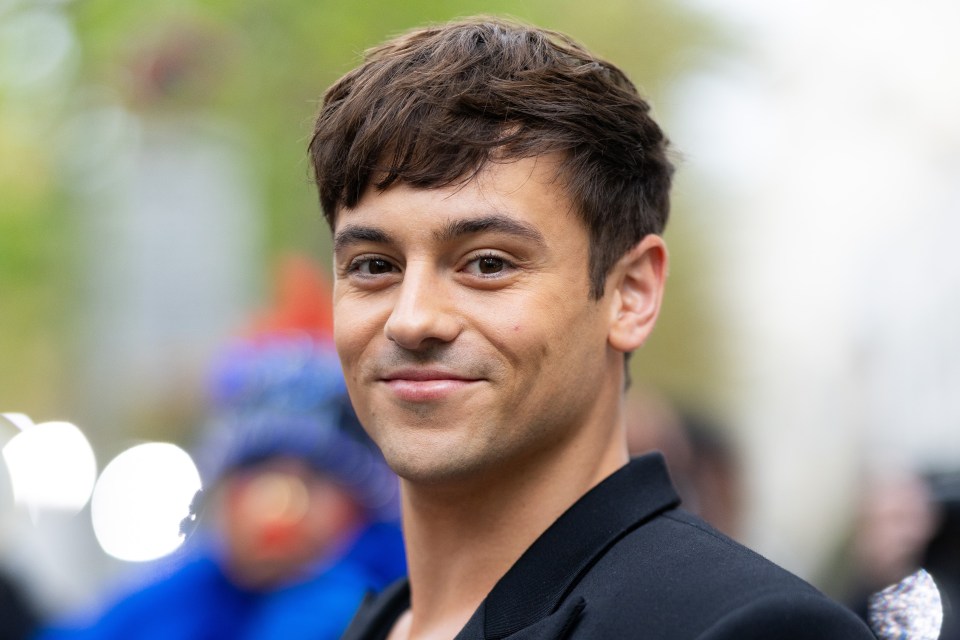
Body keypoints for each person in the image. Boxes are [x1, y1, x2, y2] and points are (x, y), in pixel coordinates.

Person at [308, 17, 875, 639]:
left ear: (631, 294)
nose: (412, 319)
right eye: (373, 266)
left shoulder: (744, 628)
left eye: (488, 264)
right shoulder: (366, 623)